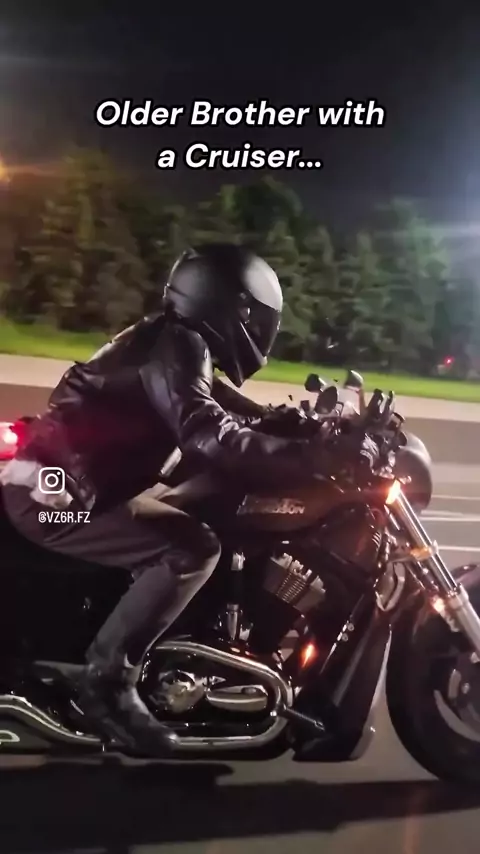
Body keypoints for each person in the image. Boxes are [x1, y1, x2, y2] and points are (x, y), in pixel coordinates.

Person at [0, 243, 379, 755]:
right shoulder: (176, 346)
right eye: (258, 317)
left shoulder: (173, 341)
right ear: (234, 308)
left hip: (70, 487)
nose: (262, 328)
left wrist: (298, 425)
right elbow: (211, 436)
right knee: (190, 549)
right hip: (57, 498)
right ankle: (108, 681)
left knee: (194, 525)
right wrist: (314, 456)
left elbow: (222, 407)